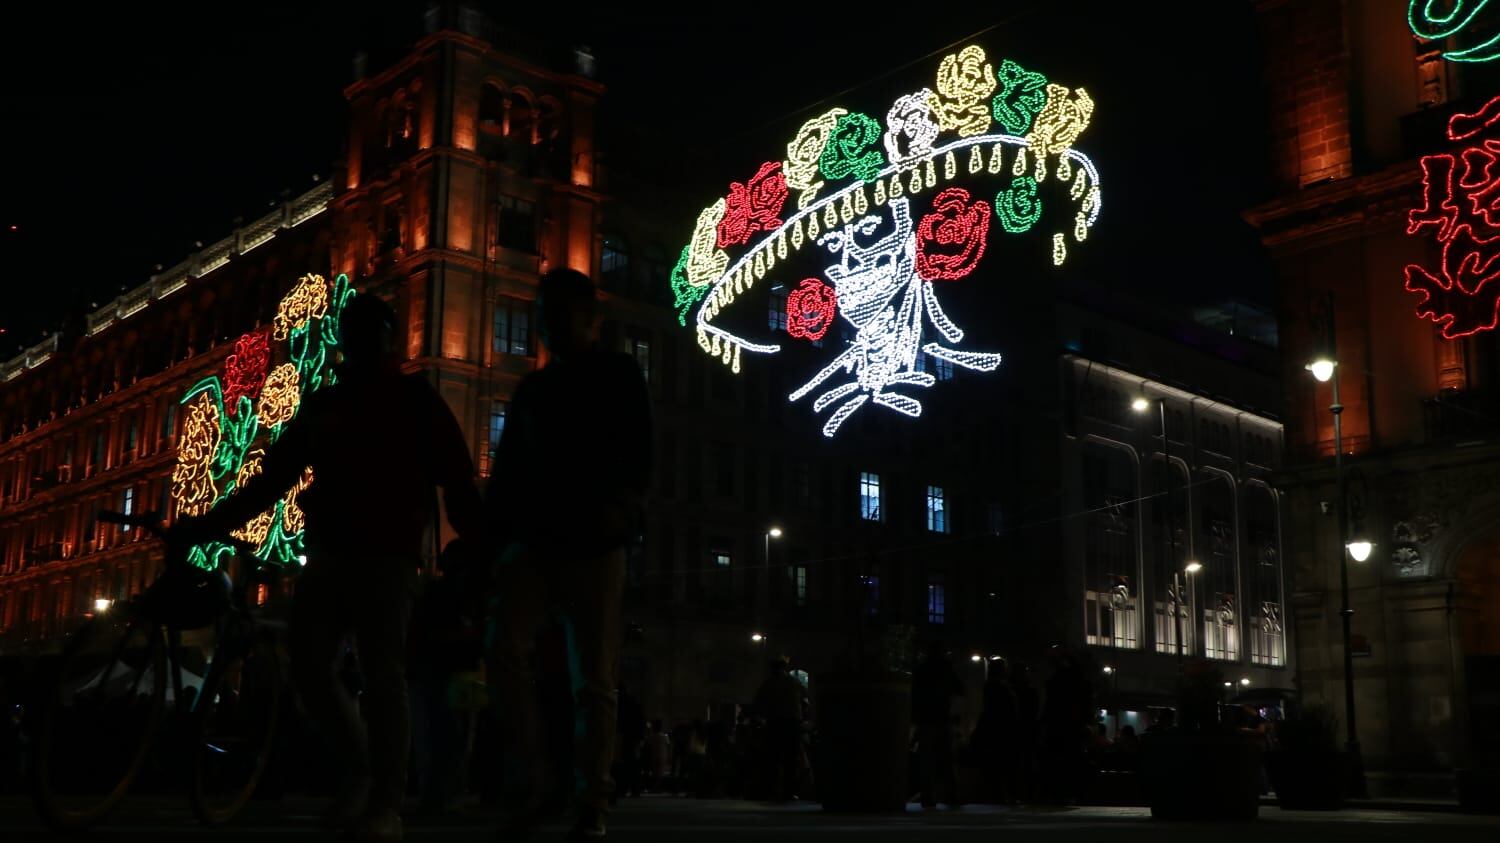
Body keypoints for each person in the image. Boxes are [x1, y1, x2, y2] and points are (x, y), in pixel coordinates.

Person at [169, 292, 485, 842]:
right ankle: (367, 772)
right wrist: (210, 524)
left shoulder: (412, 399)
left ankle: (385, 798)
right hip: (336, 551)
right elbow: (273, 478)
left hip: (388, 554)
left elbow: (457, 478)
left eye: (371, 330)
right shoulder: (329, 403)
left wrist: (480, 550)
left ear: (386, 339)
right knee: (314, 667)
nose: (363, 340)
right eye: (356, 330)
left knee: (381, 672)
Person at [486, 268, 653, 841]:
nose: (546, 327)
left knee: (591, 678)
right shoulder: (539, 389)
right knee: (531, 657)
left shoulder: (611, 376)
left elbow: (639, 452)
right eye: (543, 317)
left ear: (588, 321)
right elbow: (507, 475)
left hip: (587, 540)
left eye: (555, 316)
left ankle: (581, 793)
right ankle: (560, 786)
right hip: (547, 539)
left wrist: (622, 508)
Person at [911, 641, 964, 809]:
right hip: (942, 718)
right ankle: (951, 795)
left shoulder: (922, 670)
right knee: (947, 760)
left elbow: (915, 695)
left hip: (927, 719)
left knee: (927, 761)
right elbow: (960, 689)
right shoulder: (946, 669)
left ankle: (928, 796)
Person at [753, 658, 805, 802]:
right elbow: (803, 696)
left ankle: (770, 790)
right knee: (791, 759)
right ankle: (789, 791)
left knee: (772, 758)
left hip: (775, 722)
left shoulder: (769, 683)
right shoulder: (794, 682)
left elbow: (759, 702)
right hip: (792, 722)